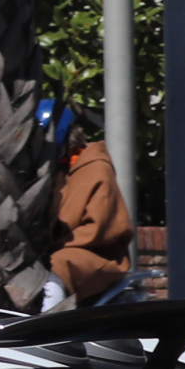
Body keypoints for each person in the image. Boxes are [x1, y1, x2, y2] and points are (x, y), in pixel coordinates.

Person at [48, 109, 135, 304]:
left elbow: (101, 227)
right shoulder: (61, 170)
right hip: (65, 247)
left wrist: (56, 244)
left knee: (56, 269)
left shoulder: (96, 167)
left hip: (99, 255)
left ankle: (45, 325)